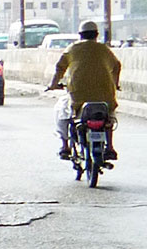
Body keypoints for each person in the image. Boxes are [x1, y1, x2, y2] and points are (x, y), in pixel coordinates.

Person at [48, 20, 121, 159]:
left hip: (78, 96)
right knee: (108, 117)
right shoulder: (103, 49)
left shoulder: (72, 49)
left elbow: (60, 68)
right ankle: (110, 147)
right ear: (96, 35)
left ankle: (65, 146)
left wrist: (53, 84)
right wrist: (115, 84)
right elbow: (116, 66)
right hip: (105, 96)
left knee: (62, 112)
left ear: (80, 35)